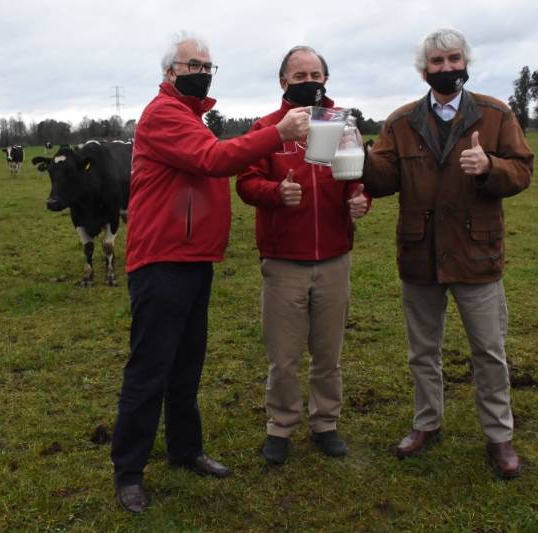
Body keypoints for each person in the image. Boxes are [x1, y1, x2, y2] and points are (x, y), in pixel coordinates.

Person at [110, 32, 310, 513]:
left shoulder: (190, 116)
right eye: (191, 64)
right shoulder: (163, 115)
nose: (200, 70)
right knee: (151, 368)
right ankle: (129, 471)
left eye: (207, 65)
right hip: (162, 260)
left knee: (186, 363)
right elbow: (214, 160)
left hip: (194, 259)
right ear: (169, 74)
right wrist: (277, 132)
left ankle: (185, 449)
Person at [361, 28, 533, 479]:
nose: (446, 68)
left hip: (477, 253)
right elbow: (383, 180)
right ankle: (426, 424)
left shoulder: (495, 114)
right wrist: (356, 158)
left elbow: (523, 170)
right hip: (420, 255)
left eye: (453, 58)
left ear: (465, 61)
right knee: (423, 352)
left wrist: (490, 167)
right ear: (424, 70)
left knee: (488, 352)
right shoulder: (400, 122)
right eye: (436, 62)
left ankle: (499, 437)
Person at [236, 46, 370, 465]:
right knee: (284, 356)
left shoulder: (345, 126)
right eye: (299, 76)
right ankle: (280, 425)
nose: (308, 82)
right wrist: (276, 193)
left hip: (333, 258)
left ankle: (325, 422)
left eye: (315, 74)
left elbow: (357, 181)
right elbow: (245, 183)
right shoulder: (267, 129)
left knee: (328, 354)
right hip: (284, 261)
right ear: (283, 83)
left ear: (325, 80)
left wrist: (361, 201)